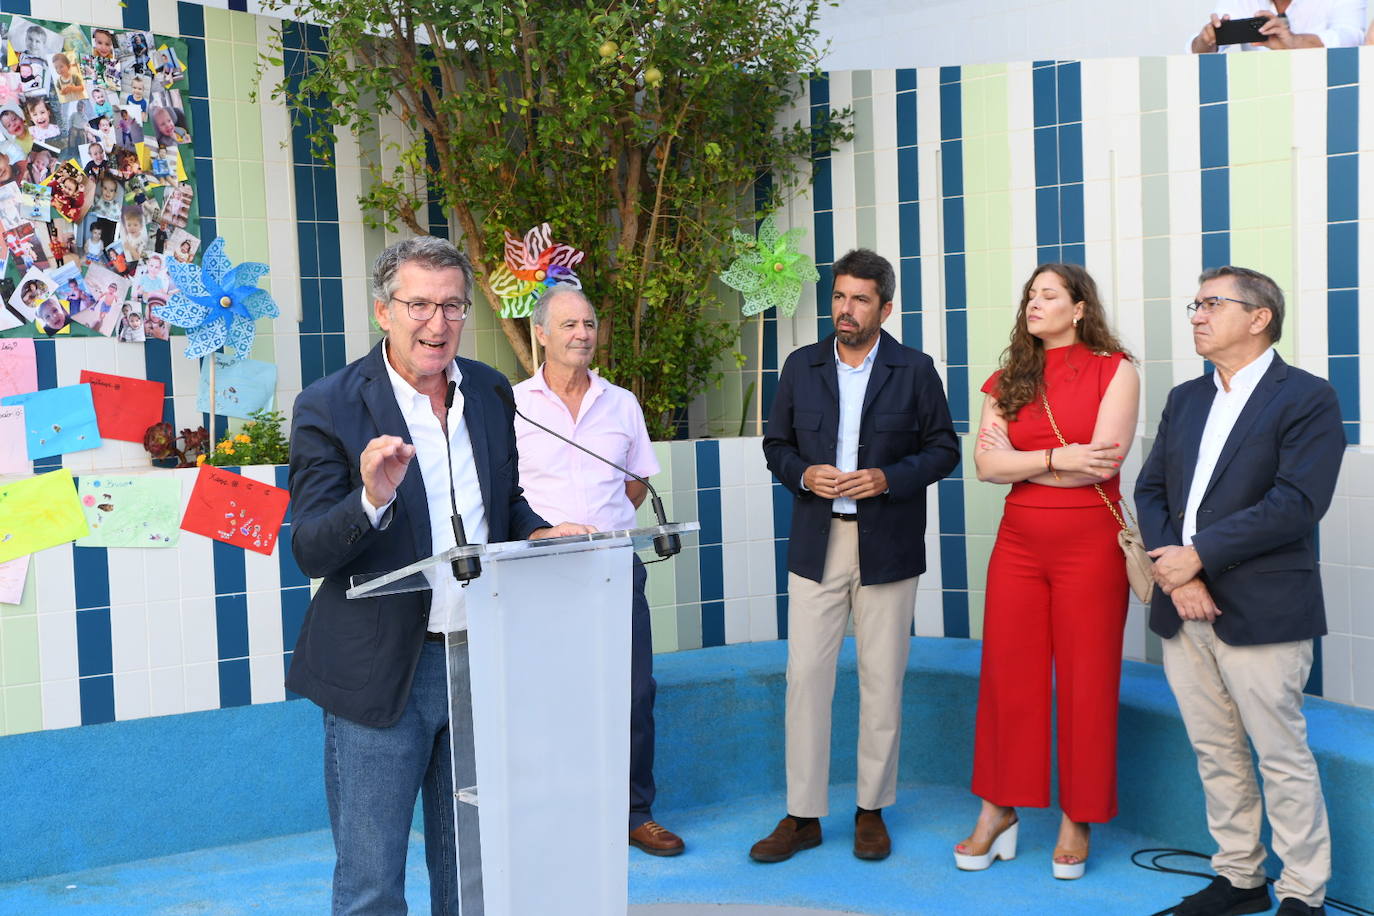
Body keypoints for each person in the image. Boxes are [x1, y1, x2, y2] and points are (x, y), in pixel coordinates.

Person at [286, 236, 592, 915]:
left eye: (452, 305)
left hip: (480, 662)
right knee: (371, 880)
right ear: (382, 311)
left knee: (473, 870)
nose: (438, 322)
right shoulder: (329, 405)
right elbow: (308, 550)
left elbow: (500, 503)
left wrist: (540, 530)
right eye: (418, 303)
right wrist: (370, 498)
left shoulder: (486, 389)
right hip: (381, 675)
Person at [1136, 267, 1342, 916]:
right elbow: (1151, 491)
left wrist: (1196, 559)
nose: (1196, 314)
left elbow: (1296, 503)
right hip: (1182, 605)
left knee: (1281, 757)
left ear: (1260, 318)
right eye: (1195, 304)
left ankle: (1304, 895)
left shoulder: (1307, 398)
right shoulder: (1187, 398)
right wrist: (1183, 573)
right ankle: (1241, 879)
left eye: (1212, 304)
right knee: (1216, 751)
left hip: (1262, 608)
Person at [752, 248, 960, 863]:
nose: (845, 309)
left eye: (859, 299)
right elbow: (776, 444)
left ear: (885, 308)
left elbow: (944, 449)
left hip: (887, 545)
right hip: (818, 543)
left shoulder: (915, 370)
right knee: (806, 680)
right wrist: (803, 474)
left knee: (881, 680)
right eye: (839, 297)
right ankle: (802, 815)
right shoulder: (801, 365)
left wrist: (888, 479)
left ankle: (871, 810)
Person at [954, 264, 1138, 880]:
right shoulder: (1007, 379)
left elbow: (1102, 464)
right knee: (1008, 677)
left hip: (1091, 544)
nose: (1035, 303)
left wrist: (1022, 461)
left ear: (1080, 307)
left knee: (1087, 679)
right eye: (1030, 295)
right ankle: (997, 809)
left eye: (1049, 295)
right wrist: (1057, 456)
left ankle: (1077, 817)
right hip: (1018, 544)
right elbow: (984, 466)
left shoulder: (1117, 370)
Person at [510, 285, 684, 858]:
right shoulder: (512, 406)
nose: (582, 334)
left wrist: (600, 524)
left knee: (633, 693)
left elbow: (635, 481)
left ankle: (635, 812)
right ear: (540, 333)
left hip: (613, 567)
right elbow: (501, 492)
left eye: (588, 323)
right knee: (546, 696)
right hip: (538, 574)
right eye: (568, 325)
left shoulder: (622, 403)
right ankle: (557, 813)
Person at [1191, 1, 1365, 52]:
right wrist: (1206, 41)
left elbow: (1352, 37)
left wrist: (1295, 42)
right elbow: (1201, 49)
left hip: (1327, 89)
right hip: (1262, 95)